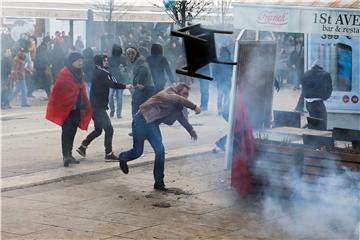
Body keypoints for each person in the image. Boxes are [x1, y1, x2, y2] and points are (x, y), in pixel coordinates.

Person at [118, 83, 201, 191]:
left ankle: (159, 183)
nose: (185, 97)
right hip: (141, 121)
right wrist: (194, 107)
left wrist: (190, 130)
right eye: (184, 94)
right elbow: (179, 99)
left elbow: (180, 117)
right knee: (138, 151)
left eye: (187, 95)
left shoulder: (176, 105)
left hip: (152, 125)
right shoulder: (166, 94)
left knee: (160, 151)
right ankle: (123, 157)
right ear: (178, 91)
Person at [76, 54, 132, 161]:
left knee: (98, 130)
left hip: (94, 105)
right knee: (109, 130)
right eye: (104, 60)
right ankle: (109, 154)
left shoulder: (96, 71)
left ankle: (83, 146)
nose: (106, 62)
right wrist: (125, 86)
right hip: (98, 107)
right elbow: (113, 84)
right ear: (99, 62)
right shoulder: (103, 72)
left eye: (107, 60)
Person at [46, 52, 93, 167]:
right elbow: (58, 91)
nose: (81, 62)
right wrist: (67, 102)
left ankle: (70, 155)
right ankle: (65, 156)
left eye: (82, 60)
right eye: (78, 60)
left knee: (72, 132)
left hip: (77, 108)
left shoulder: (79, 73)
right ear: (72, 62)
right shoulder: (65, 73)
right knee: (66, 132)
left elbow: (81, 89)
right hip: (66, 109)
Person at [303, 60, 333, 130]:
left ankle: (313, 135)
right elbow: (329, 89)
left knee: (313, 120)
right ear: (321, 67)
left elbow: (303, 89)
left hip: (308, 103)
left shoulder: (306, 73)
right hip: (318, 103)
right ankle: (319, 137)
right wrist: (325, 97)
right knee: (322, 122)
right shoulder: (326, 74)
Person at [126, 47, 155, 117]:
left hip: (145, 87)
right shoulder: (137, 61)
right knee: (141, 106)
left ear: (136, 54)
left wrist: (139, 82)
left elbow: (143, 69)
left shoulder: (140, 61)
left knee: (138, 105)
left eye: (132, 54)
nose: (130, 56)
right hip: (145, 87)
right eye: (129, 54)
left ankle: (137, 122)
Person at [108, 44, 129, 118]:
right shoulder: (110, 58)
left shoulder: (123, 58)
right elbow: (108, 68)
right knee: (110, 97)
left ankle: (119, 113)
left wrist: (123, 68)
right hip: (112, 80)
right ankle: (113, 110)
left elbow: (126, 67)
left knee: (119, 98)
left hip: (120, 80)